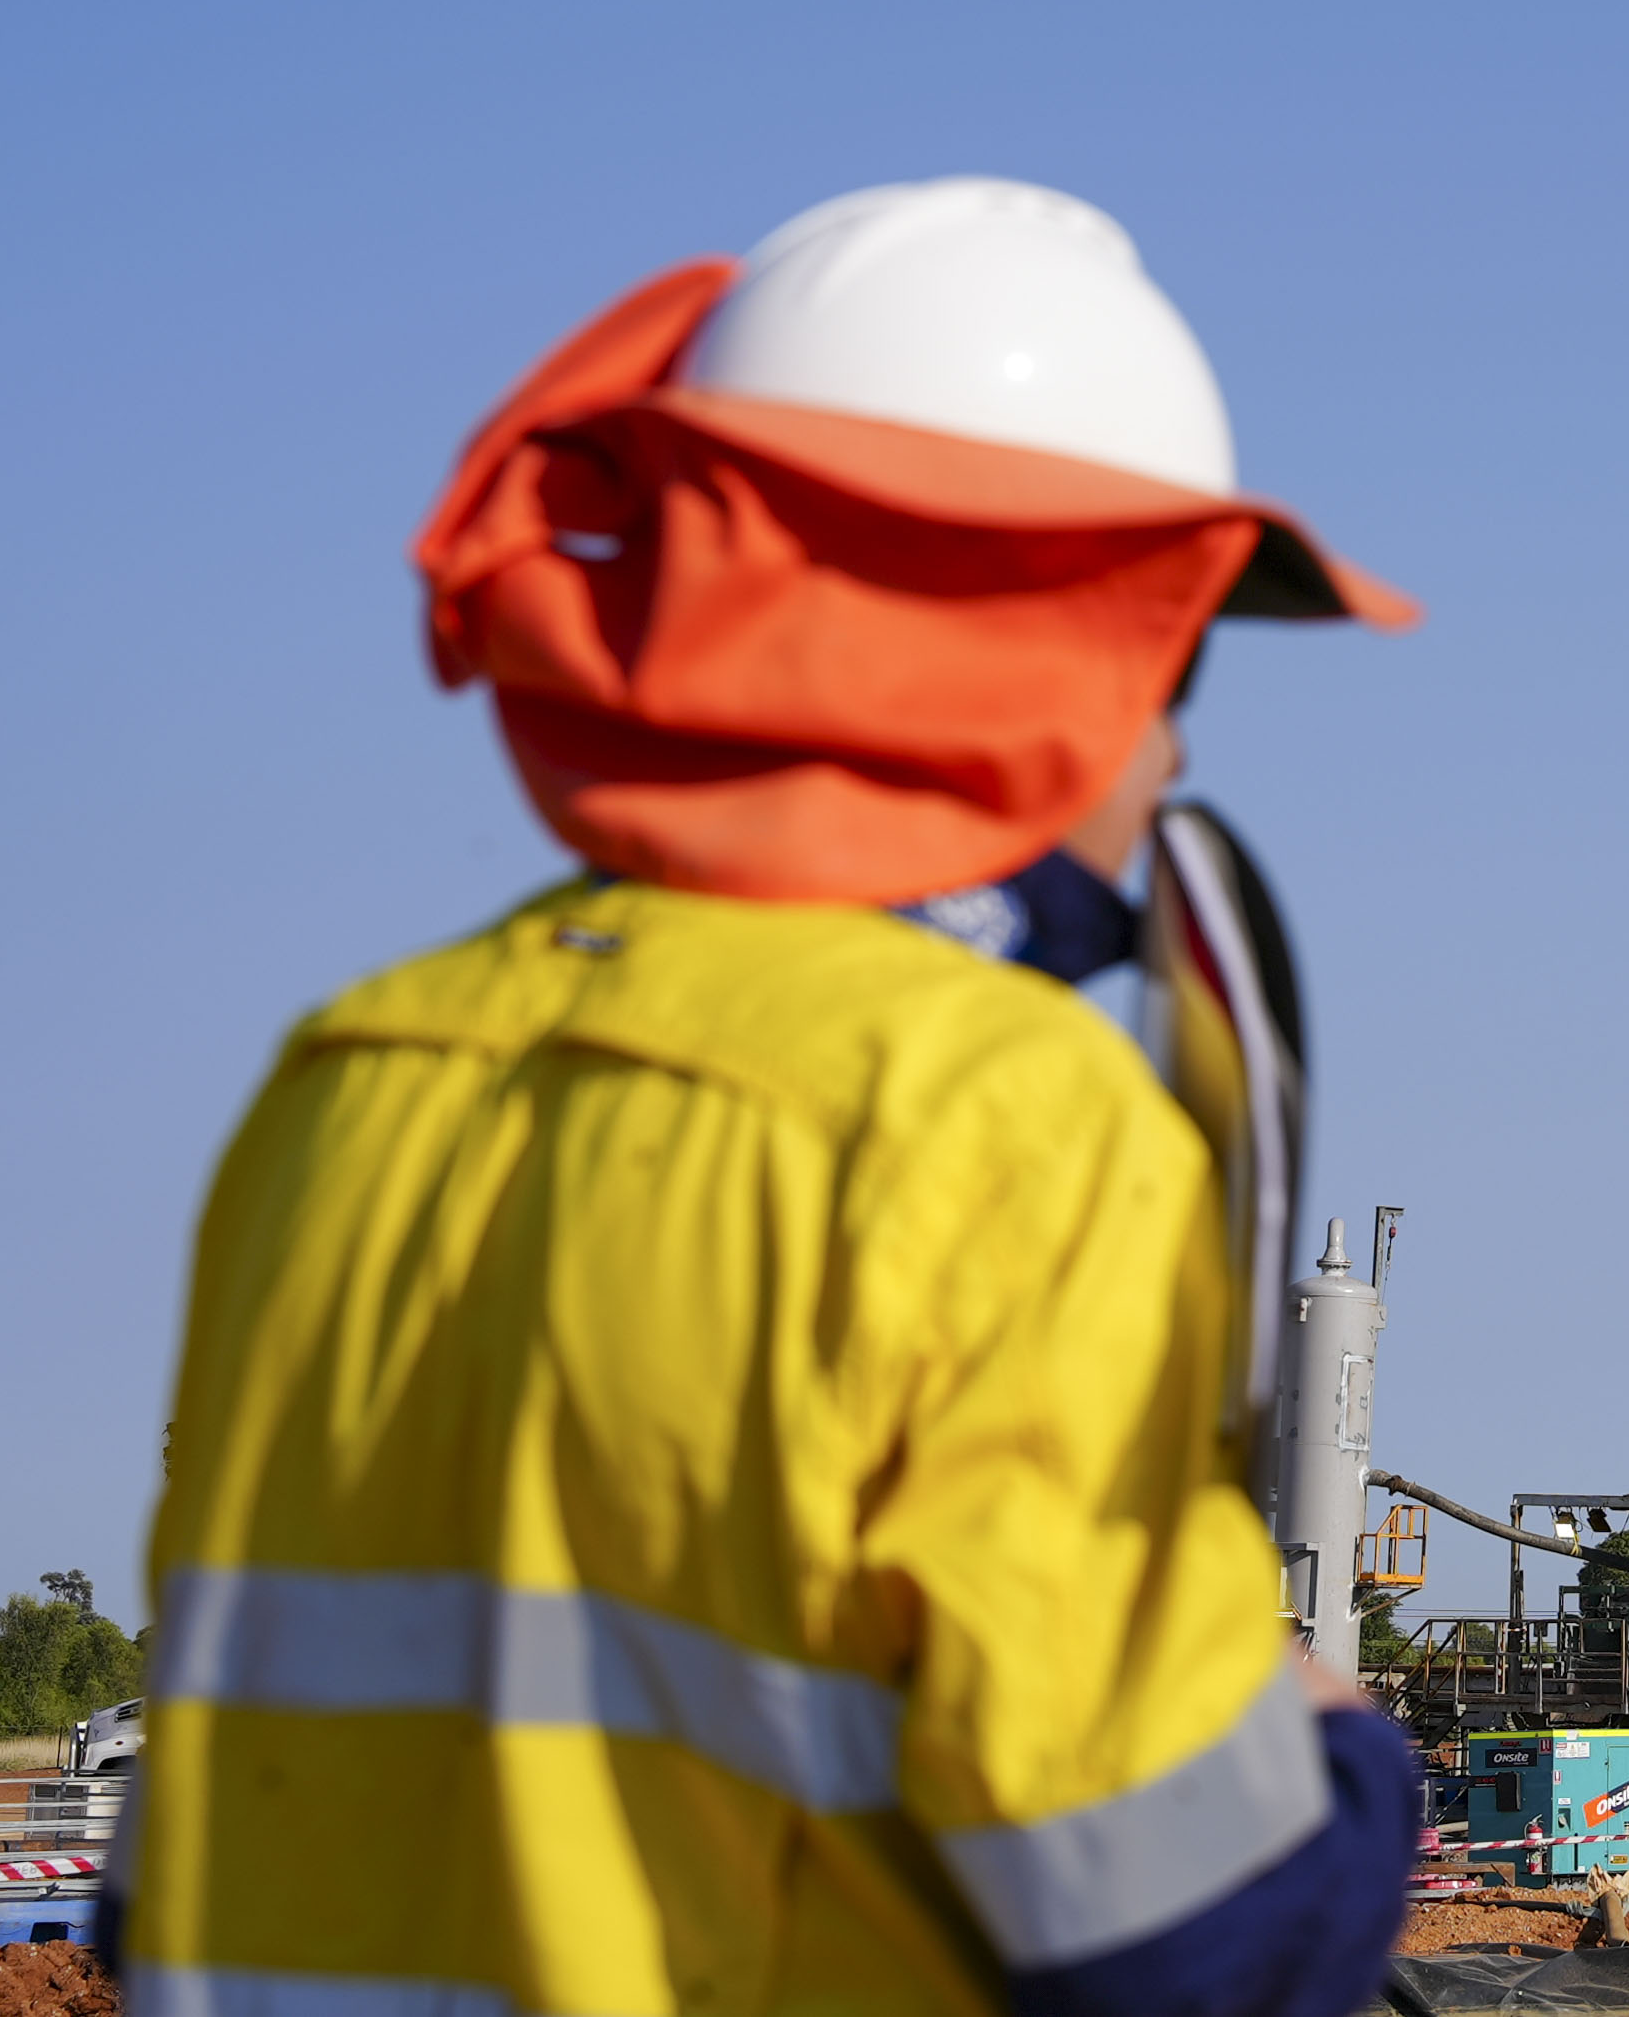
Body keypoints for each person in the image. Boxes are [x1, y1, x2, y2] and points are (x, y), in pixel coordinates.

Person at [116, 179, 1430, 2017]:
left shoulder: (345, 1084)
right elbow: (1187, 1932)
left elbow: (204, 1837)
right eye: (1173, 649)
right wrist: (1347, 1771)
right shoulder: (994, 1122)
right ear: (1036, 650)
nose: (1179, 739)